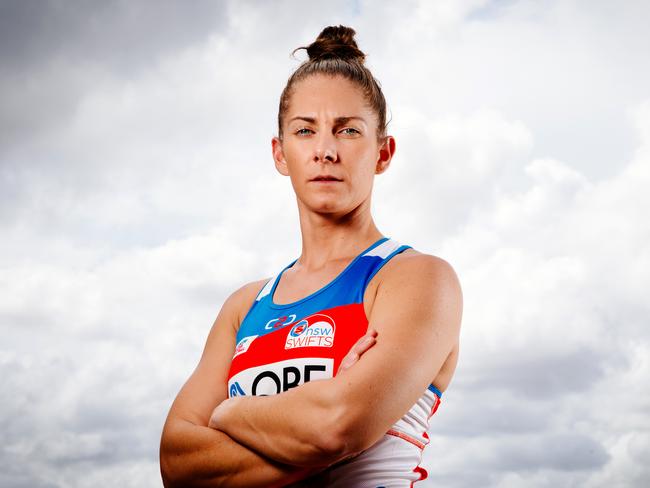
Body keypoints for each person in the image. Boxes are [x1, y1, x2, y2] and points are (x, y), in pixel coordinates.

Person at [159, 25, 462, 487]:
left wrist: (230, 411)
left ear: (383, 152)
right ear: (281, 154)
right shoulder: (244, 307)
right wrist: (314, 420)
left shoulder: (416, 279)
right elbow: (178, 467)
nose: (325, 151)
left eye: (348, 131)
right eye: (305, 130)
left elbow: (335, 426)